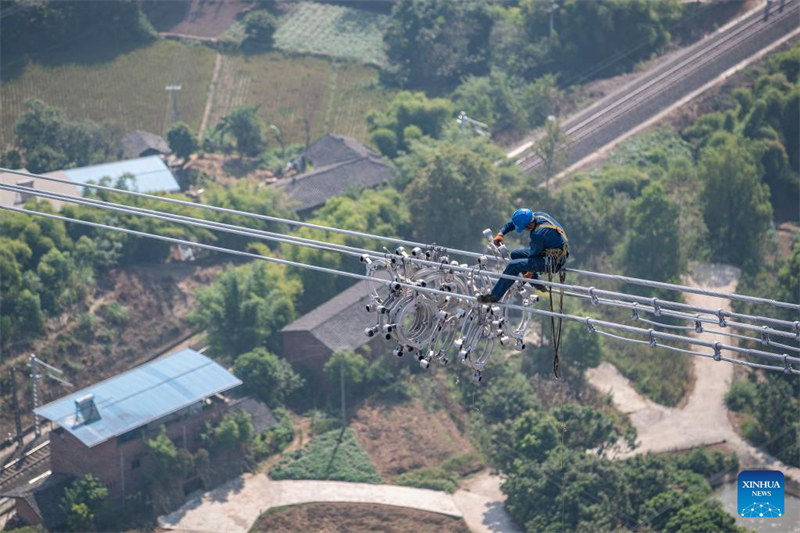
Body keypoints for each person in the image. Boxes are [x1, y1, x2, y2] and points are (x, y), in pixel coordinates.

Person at [477, 208, 568, 303]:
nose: (525, 230)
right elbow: (514, 223)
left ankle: (494, 296)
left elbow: (533, 255)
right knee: (515, 254)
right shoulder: (537, 216)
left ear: (529, 225)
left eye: (525, 228)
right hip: (547, 251)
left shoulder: (538, 234)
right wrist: (501, 233)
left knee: (514, 265)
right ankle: (537, 283)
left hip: (553, 261)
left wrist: (530, 272)